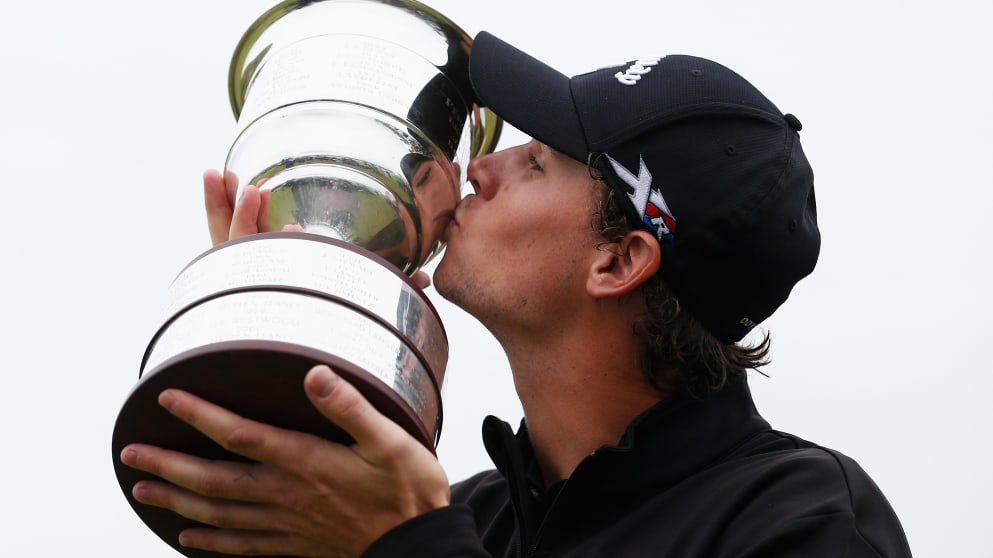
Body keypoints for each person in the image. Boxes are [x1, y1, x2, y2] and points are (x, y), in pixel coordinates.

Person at [120, 31, 913, 557]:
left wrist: (409, 544)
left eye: (534, 163)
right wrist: (275, 333)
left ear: (618, 260)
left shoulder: (797, 522)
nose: (477, 169)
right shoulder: (470, 518)